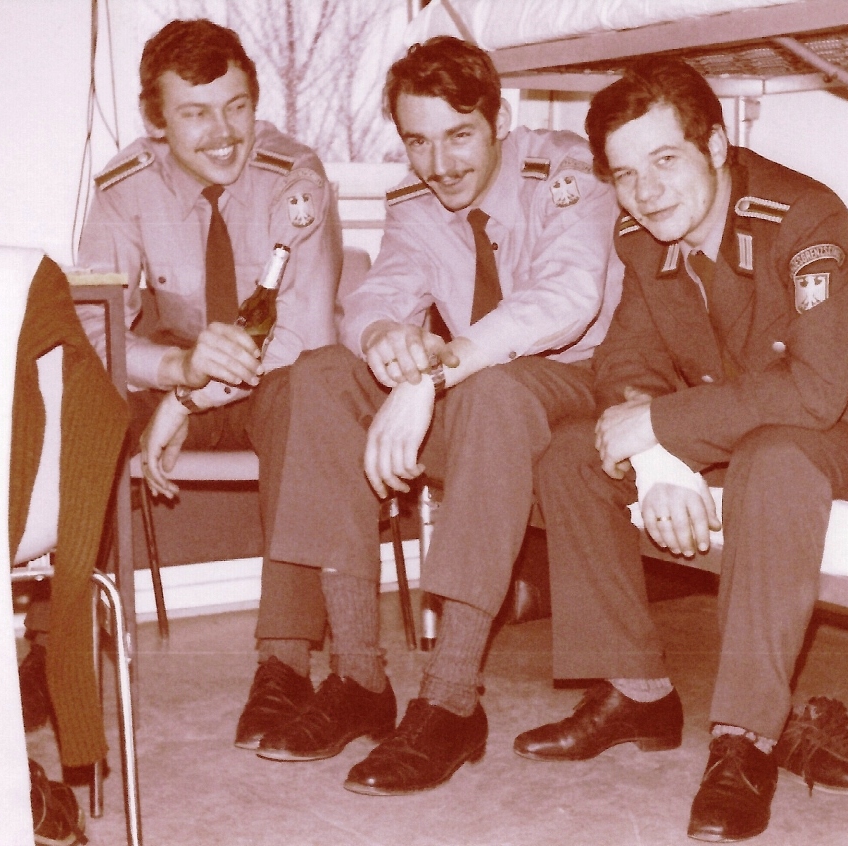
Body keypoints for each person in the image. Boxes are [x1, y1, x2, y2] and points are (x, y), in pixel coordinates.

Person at [514, 57, 848, 842]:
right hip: (754, 419)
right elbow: (626, 361)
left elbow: (812, 394)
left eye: (664, 160)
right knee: (572, 453)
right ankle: (635, 693)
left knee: (773, 460)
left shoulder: (806, 224)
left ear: (716, 147)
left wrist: (664, 427)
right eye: (625, 174)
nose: (645, 191)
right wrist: (659, 461)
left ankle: (744, 738)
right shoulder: (642, 236)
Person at [250, 36, 623, 796]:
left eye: (458, 136)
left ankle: (452, 698)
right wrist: (388, 341)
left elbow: (567, 297)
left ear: (499, 121)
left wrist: (437, 371)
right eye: (418, 141)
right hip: (478, 381)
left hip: (579, 379)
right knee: (320, 374)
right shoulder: (417, 203)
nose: (439, 162)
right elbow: (377, 296)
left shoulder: (565, 170)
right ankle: (358, 676)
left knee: (491, 392)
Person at [19, 18, 341, 751]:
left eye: (236, 107)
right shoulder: (127, 187)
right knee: (78, 401)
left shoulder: (296, 179)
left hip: (275, 378)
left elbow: (303, 337)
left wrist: (187, 399)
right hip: (183, 372)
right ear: (156, 121)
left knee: (306, 396)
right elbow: (93, 326)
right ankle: (51, 646)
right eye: (195, 113)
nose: (224, 134)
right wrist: (174, 373)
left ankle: (285, 663)